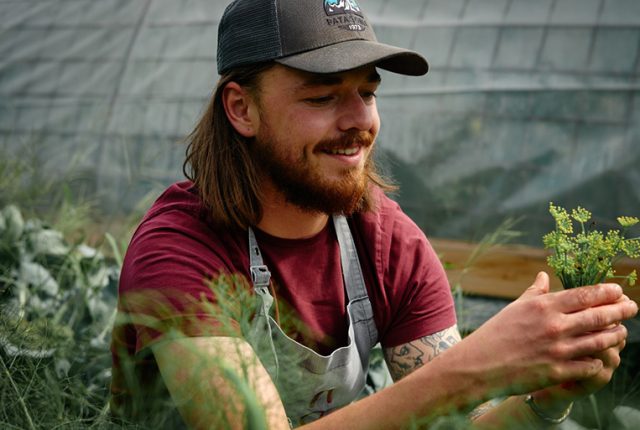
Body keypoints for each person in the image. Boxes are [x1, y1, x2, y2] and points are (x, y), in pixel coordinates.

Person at [110, 0, 639, 428]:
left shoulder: (386, 243)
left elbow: (462, 425)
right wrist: (473, 368)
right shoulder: (178, 250)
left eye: (367, 91)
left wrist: (543, 399)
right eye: (323, 97)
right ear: (241, 109)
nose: (360, 119)